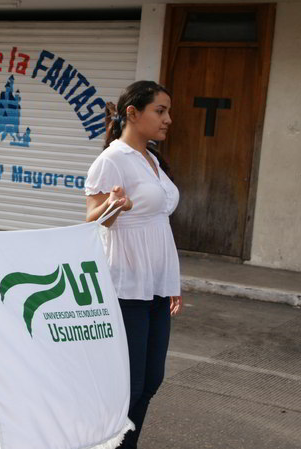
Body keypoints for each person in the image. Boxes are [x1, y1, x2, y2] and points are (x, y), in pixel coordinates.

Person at [84, 80, 183, 448]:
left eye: (168, 111)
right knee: (131, 385)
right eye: (160, 110)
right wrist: (115, 205)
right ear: (133, 113)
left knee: (151, 380)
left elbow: (158, 222)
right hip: (125, 286)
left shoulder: (151, 159)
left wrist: (171, 282)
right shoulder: (112, 160)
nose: (168, 119)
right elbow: (93, 220)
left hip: (155, 284)